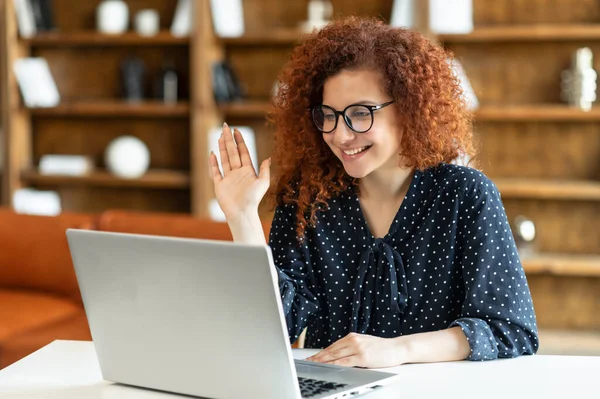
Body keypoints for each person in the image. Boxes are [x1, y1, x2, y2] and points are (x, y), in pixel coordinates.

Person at [209, 16, 538, 369]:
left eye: (360, 113)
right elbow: (276, 325)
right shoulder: (307, 198)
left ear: (410, 107)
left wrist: (398, 350)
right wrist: (243, 220)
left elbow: (510, 330)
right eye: (329, 115)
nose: (340, 134)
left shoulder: (466, 195)